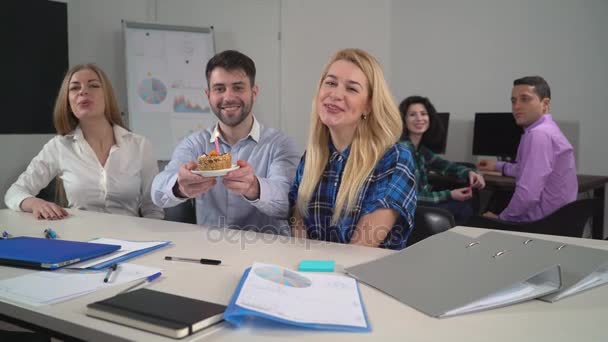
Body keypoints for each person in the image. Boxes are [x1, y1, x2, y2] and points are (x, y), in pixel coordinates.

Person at [151, 50, 299, 234]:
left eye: (238, 87)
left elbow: (289, 205)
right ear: (208, 95)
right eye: (219, 89)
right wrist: (179, 187)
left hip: (266, 253)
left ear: (254, 92)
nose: (228, 97)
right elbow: (157, 193)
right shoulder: (194, 144)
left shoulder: (280, 145)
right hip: (210, 252)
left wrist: (254, 187)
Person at [289, 48, 417, 250]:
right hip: (312, 274)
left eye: (351, 88)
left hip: (367, 279)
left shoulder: (395, 159)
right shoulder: (312, 158)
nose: (335, 94)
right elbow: (298, 222)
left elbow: (361, 248)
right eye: (330, 83)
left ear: (368, 106)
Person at [4, 64, 164, 220]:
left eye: (93, 85)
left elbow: (153, 208)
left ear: (107, 95)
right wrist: (34, 203)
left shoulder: (140, 145)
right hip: (80, 239)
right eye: (74, 88)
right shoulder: (59, 146)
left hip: (133, 239)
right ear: (68, 102)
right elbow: (14, 192)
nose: (83, 91)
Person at [477, 76, 577, 222]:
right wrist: (498, 166)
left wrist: (501, 219)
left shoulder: (538, 135)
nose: (516, 106)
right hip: (558, 221)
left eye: (525, 99)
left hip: (541, 226)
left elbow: (528, 194)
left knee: (475, 218)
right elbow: (526, 170)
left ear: (545, 103)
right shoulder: (546, 130)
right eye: (513, 101)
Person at [399, 95, 485, 225]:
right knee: (463, 208)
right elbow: (409, 197)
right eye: (412, 115)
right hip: (409, 208)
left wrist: (470, 173)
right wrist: (449, 195)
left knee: (468, 201)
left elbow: (445, 165)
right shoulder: (402, 150)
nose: (419, 118)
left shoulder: (419, 149)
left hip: (420, 203)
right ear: (404, 120)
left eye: (423, 114)